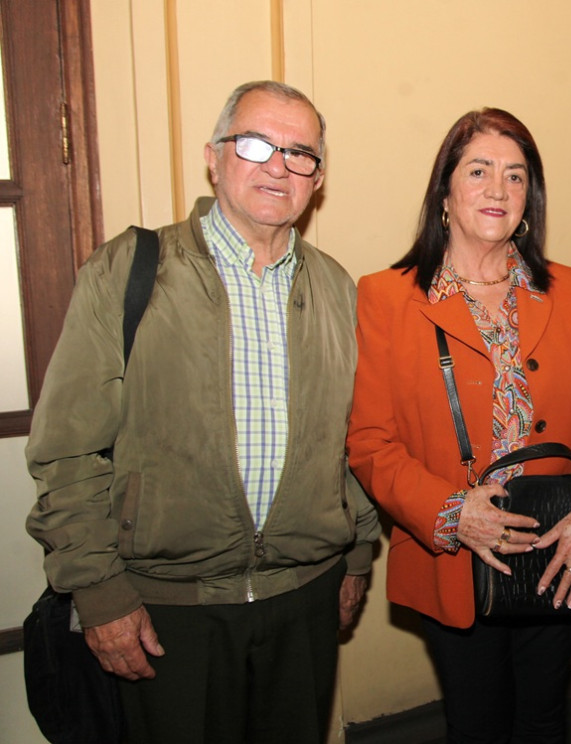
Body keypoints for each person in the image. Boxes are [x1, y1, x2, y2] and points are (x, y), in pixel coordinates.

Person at [25, 80, 381, 744]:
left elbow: (353, 441)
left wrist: (356, 555)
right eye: (255, 144)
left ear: (317, 179)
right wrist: (98, 592)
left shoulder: (337, 288)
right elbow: (66, 451)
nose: (278, 166)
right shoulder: (131, 270)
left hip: (304, 597)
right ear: (213, 158)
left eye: (299, 153)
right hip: (166, 610)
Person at [346, 107, 571, 744]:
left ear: (530, 198)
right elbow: (369, 443)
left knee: (545, 721)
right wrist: (453, 513)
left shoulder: (568, 289)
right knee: (477, 726)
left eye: (515, 175)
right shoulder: (387, 297)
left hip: (559, 546)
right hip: (456, 556)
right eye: (478, 171)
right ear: (445, 192)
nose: (498, 188)